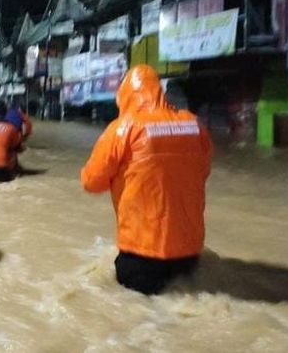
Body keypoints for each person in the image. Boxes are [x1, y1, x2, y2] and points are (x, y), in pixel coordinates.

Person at [80, 64, 213, 295]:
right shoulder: (194, 125)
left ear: (125, 97)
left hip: (141, 257)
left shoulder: (123, 129)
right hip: (189, 256)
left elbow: (91, 182)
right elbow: (203, 169)